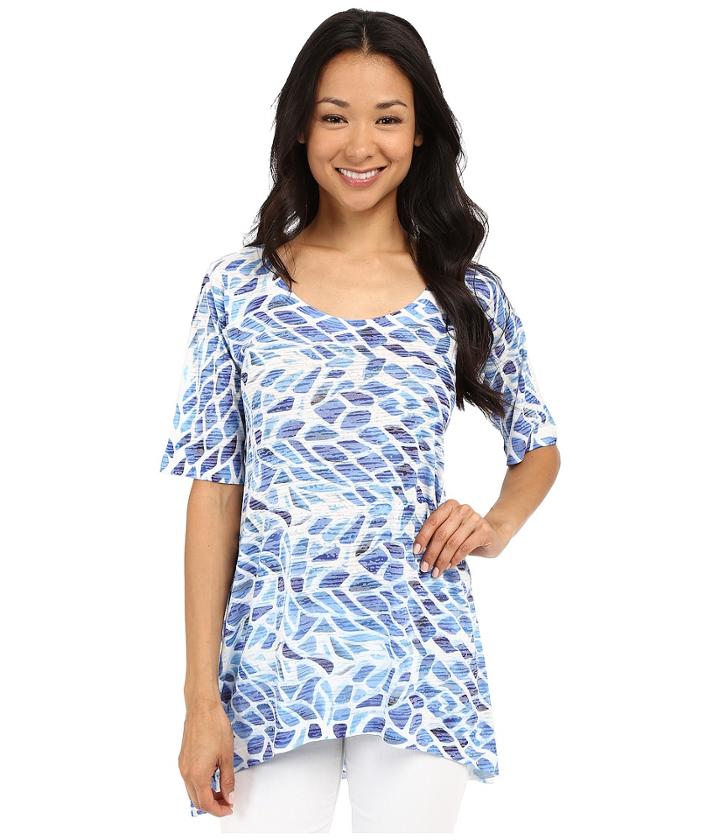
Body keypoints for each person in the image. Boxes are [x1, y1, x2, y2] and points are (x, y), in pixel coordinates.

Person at [158, 8, 560, 834]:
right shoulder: (239, 290)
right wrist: (201, 700)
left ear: (420, 134)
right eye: (335, 117)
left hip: (418, 657)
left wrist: (495, 525)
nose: (361, 144)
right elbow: (214, 493)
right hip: (270, 665)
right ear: (302, 129)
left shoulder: (465, 293)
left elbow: (538, 445)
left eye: (388, 118)